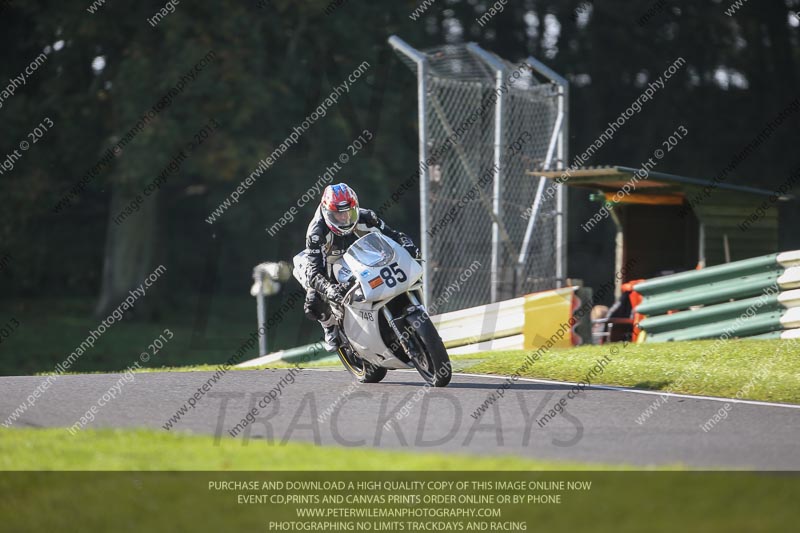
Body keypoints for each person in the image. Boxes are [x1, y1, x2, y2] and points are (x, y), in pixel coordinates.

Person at [293, 183, 420, 351]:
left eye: (349, 213)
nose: (345, 219)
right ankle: (329, 327)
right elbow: (314, 273)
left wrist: (409, 247)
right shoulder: (316, 233)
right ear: (327, 212)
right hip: (330, 262)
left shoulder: (367, 217)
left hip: (361, 254)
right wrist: (329, 289)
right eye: (338, 215)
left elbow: (394, 236)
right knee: (313, 301)